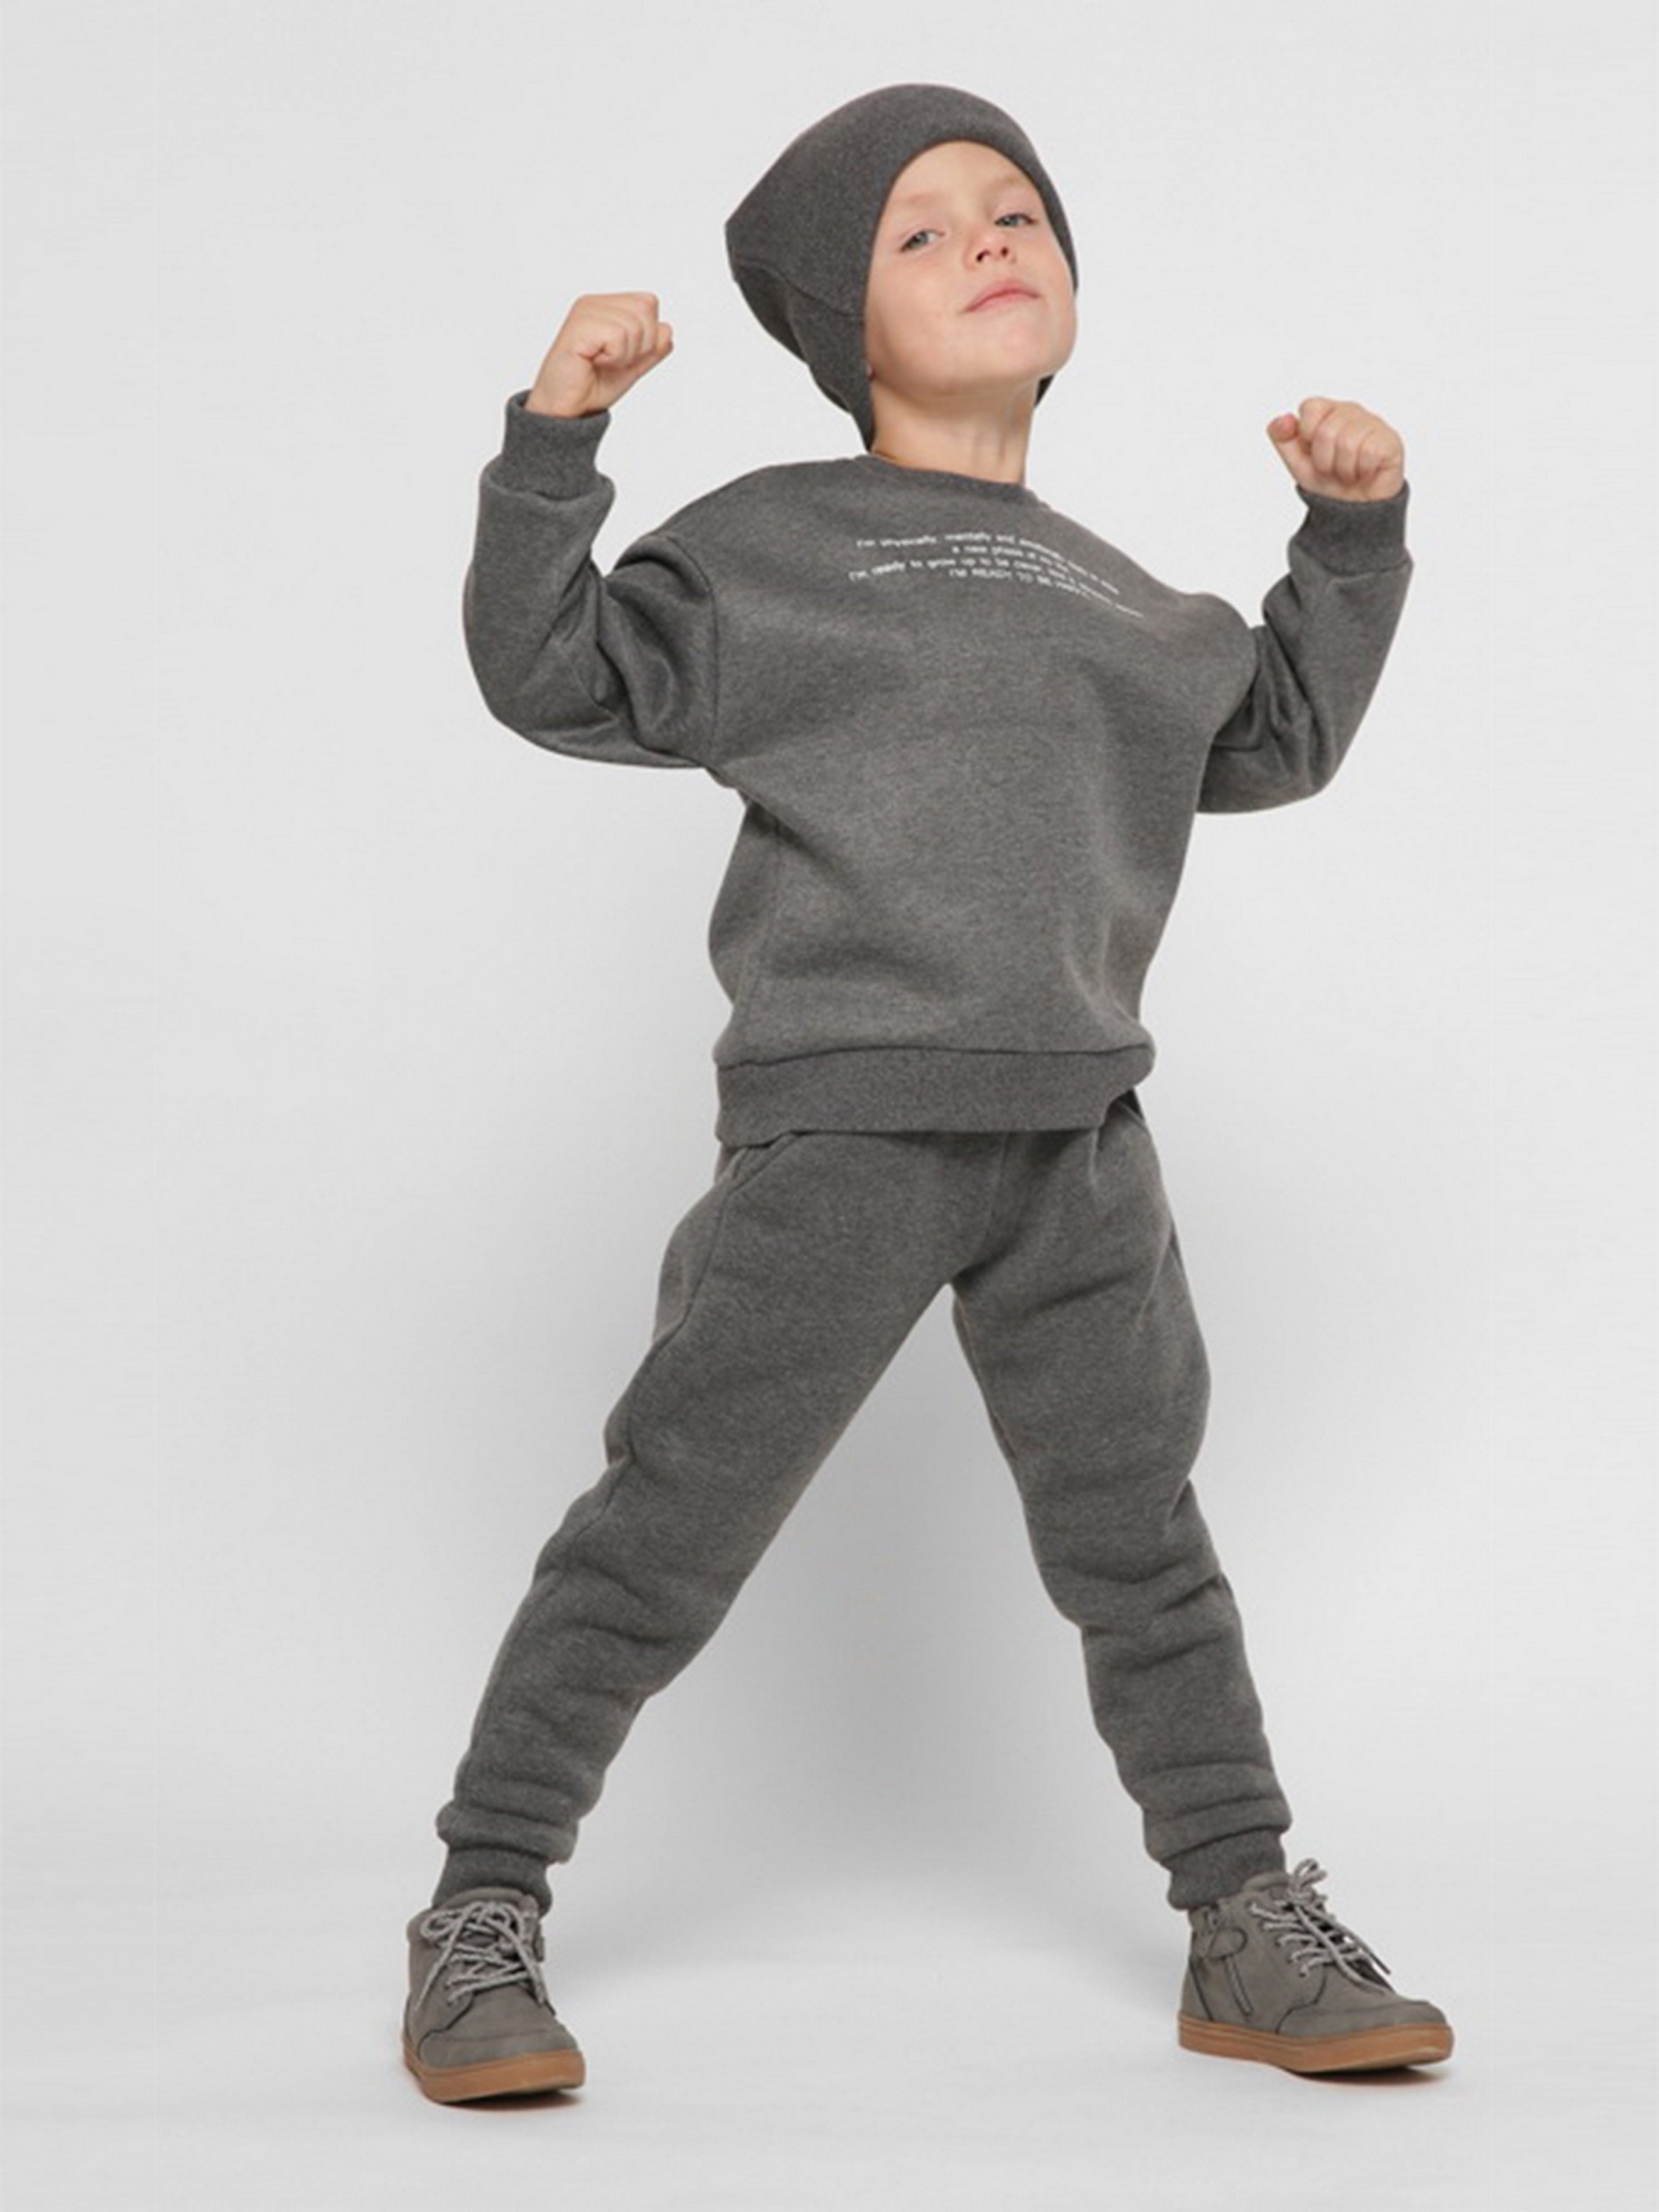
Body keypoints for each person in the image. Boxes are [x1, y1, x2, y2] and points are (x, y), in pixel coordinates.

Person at [401, 82, 1453, 2104]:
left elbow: (1276, 736)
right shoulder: (771, 548)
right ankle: (482, 1904)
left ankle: (1243, 1918)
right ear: (840, 322)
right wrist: (554, 443)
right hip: (845, 1131)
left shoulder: (1124, 600)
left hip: (1080, 1145)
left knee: (1140, 1546)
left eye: (1013, 208)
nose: (986, 236)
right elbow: (551, 671)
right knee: (665, 1527)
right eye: (919, 229)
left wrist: (1348, 536)